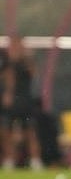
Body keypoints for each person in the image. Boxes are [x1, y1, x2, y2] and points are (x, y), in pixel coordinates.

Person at [1, 38, 44, 171]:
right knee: (5, 131)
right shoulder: (5, 61)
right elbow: (6, 77)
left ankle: (35, 160)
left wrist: (25, 58)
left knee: (30, 131)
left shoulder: (27, 61)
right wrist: (8, 93)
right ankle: (9, 160)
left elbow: (34, 74)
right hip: (11, 102)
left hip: (25, 101)